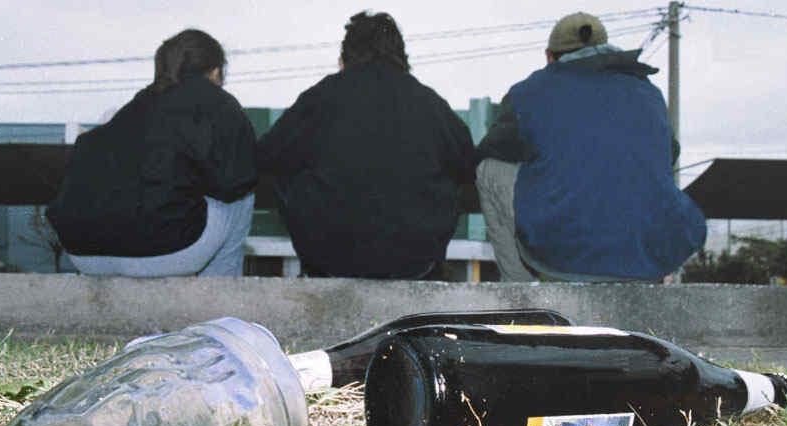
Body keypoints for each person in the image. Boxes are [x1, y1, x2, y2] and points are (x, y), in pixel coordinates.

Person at [475, 12, 707, 282]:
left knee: (488, 168)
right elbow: (669, 155)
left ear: (550, 56)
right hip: (651, 251)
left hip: (567, 252)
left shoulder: (528, 93)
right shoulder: (649, 93)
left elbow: (491, 149)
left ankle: (520, 294)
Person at [257, 11, 476, 279]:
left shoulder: (322, 97)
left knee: (287, 172)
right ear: (401, 56)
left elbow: (266, 156)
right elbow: (468, 166)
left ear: (345, 56)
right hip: (414, 261)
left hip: (329, 257)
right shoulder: (431, 104)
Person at [47, 29, 257, 277]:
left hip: (83, 253)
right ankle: (219, 305)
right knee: (242, 196)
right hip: (163, 253)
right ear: (215, 71)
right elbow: (235, 181)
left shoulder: (133, 109)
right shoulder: (219, 102)